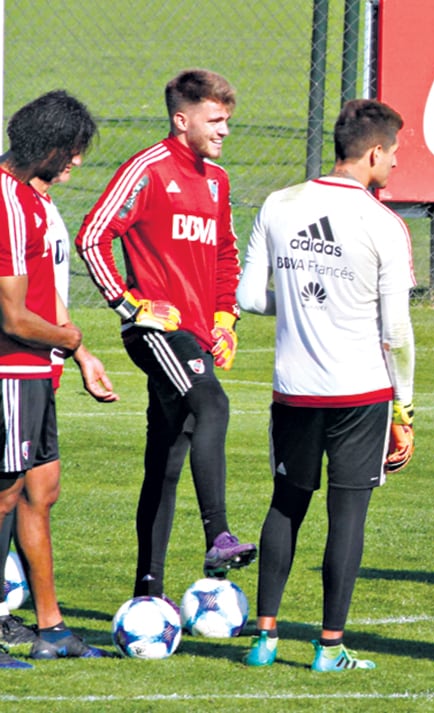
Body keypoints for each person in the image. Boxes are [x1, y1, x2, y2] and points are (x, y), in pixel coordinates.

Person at [236, 98, 415, 672]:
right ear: (374, 152)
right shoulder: (383, 223)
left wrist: (295, 304)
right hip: (360, 394)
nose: (396, 163)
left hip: (294, 388)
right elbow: (396, 332)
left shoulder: (279, 202)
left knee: (286, 504)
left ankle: (264, 639)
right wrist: (405, 409)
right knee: (348, 516)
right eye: (395, 152)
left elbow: (247, 298)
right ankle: (330, 647)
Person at [75, 69, 255, 601]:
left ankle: (148, 591)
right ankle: (218, 536)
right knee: (213, 404)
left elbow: (226, 255)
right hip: (157, 332)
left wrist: (225, 319)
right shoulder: (148, 168)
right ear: (181, 119)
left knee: (167, 459)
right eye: (214, 120)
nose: (224, 130)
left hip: (197, 337)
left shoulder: (217, 181)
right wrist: (128, 304)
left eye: (227, 120)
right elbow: (92, 236)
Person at [0, 138, 122, 663]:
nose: (77, 161)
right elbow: (12, 313)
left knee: (41, 492)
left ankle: (51, 627)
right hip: (11, 367)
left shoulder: (39, 202)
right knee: (5, 494)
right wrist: (68, 340)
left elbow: (47, 294)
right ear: (46, 146)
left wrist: (80, 354)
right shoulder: (7, 199)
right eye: (71, 150)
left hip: (41, 366)